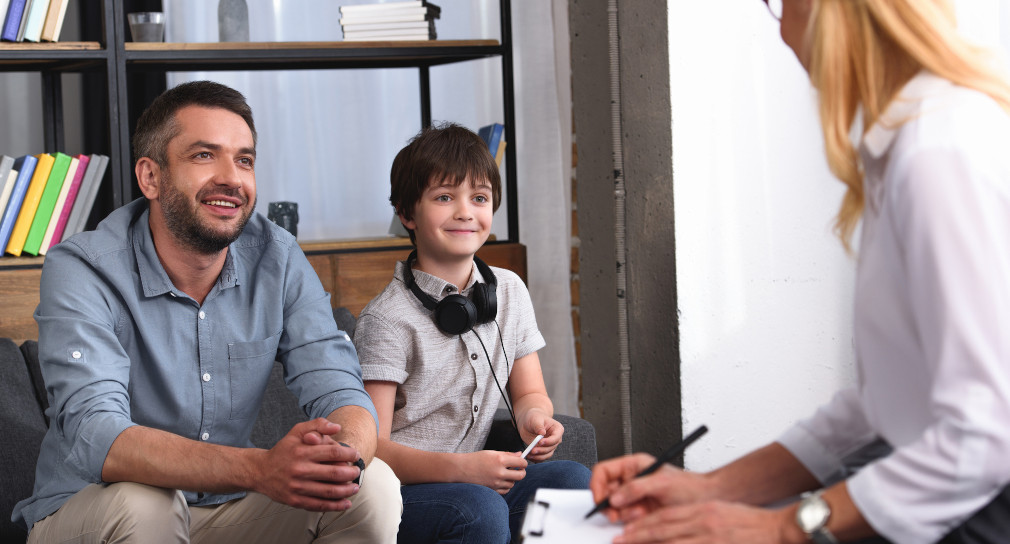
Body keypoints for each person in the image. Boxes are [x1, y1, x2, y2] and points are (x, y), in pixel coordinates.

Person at [589, 1, 1010, 543]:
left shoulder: (938, 154)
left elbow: (986, 435)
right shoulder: (908, 144)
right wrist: (712, 487)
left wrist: (784, 527)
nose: (783, 28)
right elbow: (881, 402)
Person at [12, 80, 402, 543]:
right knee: (147, 503)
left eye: (244, 159)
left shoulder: (276, 256)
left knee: (370, 485)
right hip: (94, 510)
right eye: (203, 155)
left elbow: (341, 388)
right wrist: (261, 469)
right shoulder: (84, 269)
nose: (232, 178)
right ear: (150, 177)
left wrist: (339, 460)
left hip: (226, 508)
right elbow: (98, 433)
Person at [352, 122, 591, 543]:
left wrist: (534, 418)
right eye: (445, 197)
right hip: (404, 493)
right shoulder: (387, 319)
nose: (465, 211)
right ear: (407, 213)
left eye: (479, 198)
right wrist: (463, 470)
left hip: (475, 481)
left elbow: (530, 393)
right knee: (476, 507)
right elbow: (371, 448)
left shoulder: (510, 291)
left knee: (571, 479)